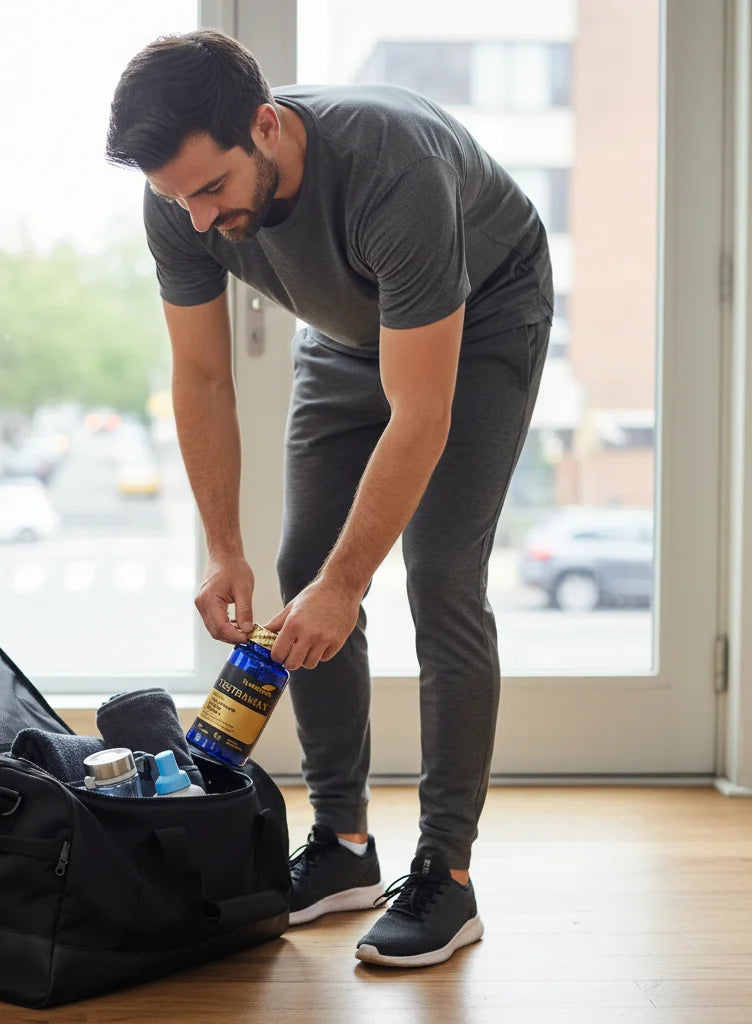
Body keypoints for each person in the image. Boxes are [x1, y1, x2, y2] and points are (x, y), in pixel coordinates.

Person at [106, 29, 552, 968]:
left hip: (480, 320)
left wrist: (353, 582)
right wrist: (224, 547)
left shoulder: (394, 168)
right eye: (175, 198)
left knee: (437, 576)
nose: (195, 218)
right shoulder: (181, 202)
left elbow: (422, 410)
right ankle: (344, 847)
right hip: (346, 333)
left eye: (212, 189)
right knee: (300, 568)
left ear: (265, 128)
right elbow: (201, 379)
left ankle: (448, 875)